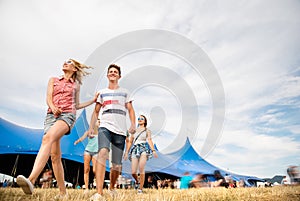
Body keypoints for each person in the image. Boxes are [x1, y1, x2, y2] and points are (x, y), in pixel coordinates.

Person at [16, 59, 98, 198]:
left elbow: (76, 105)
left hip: (67, 116)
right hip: (50, 116)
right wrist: (53, 107)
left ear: (75, 69)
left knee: (47, 138)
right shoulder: (53, 80)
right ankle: (62, 193)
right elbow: (48, 98)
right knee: (55, 156)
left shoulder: (76, 85)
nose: (65, 63)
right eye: (65, 62)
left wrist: (93, 100)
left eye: (69, 62)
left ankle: (31, 180)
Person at [88, 64, 136, 200]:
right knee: (102, 153)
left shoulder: (125, 92)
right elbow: (96, 111)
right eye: (111, 71)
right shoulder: (102, 92)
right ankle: (99, 193)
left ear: (119, 76)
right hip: (105, 126)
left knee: (116, 165)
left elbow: (131, 110)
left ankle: (112, 187)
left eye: (115, 72)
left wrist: (133, 124)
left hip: (120, 130)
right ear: (108, 75)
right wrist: (92, 127)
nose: (113, 73)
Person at [124, 115, 158, 194]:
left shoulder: (147, 130)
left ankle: (140, 189)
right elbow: (130, 141)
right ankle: (137, 180)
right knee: (133, 172)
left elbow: (149, 140)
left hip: (143, 148)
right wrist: (126, 152)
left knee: (141, 167)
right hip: (135, 149)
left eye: (141, 119)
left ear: (145, 121)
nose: (139, 120)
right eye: (138, 119)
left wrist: (153, 150)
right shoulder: (134, 130)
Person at [74, 118, 100, 193]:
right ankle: (86, 188)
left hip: (96, 152)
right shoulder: (88, 132)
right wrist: (77, 142)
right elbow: (82, 138)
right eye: (98, 122)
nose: (99, 123)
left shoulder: (101, 132)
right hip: (88, 151)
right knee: (86, 169)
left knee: (95, 170)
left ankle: (98, 186)